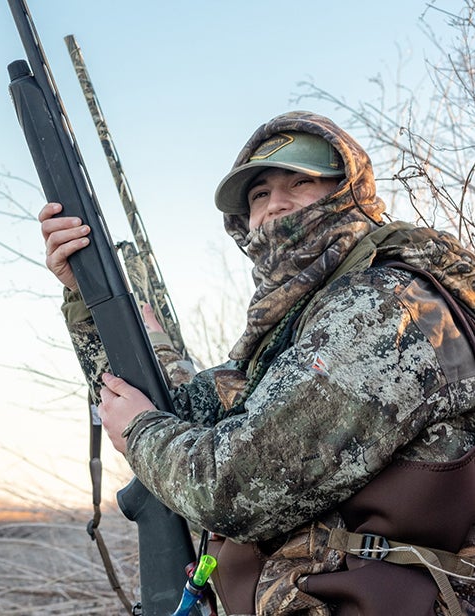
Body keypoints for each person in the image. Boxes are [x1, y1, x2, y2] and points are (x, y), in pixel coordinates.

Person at [39, 110, 475, 615]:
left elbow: (231, 487)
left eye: (301, 182)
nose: (276, 206)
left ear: (347, 192)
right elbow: (179, 411)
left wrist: (140, 433)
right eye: (259, 195)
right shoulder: (295, 326)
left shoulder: (384, 307)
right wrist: (89, 296)